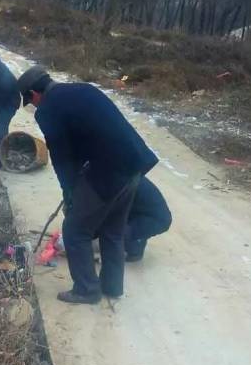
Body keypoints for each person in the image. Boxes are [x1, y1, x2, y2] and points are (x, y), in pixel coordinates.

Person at [17, 65, 158, 304]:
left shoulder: (48, 109)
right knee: (112, 229)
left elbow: (62, 157)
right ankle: (111, 287)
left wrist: (70, 193)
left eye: (30, 101)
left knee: (75, 230)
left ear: (34, 93)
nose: (33, 106)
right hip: (134, 166)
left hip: (109, 171)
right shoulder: (84, 89)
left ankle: (86, 290)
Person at [125, 175, 172, 262]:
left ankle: (134, 249)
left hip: (156, 219)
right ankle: (135, 242)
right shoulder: (128, 172)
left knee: (115, 232)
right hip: (141, 212)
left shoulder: (125, 180)